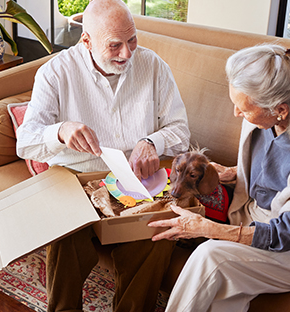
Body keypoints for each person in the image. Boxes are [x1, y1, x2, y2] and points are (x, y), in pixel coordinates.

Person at [149, 45, 290, 312]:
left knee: (211, 257)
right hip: (257, 217)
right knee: (219, 296)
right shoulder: (269, 116)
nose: (236, 114)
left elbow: (286, 233)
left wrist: (208, 229)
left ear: (281, 110)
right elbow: (276, 173)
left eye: (243, 108)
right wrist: (235, 173)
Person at [15, 0, 190, 311]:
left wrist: (152, 141)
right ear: (87, 41)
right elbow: (25, 142)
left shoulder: (154, 66)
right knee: (63, 234)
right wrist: (59, 130)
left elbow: (180, 131)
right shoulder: (55, 73)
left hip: (136, 182)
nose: (127, 53)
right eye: (114, 45)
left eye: (132, 40)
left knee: (157, 234)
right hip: (76, 181)